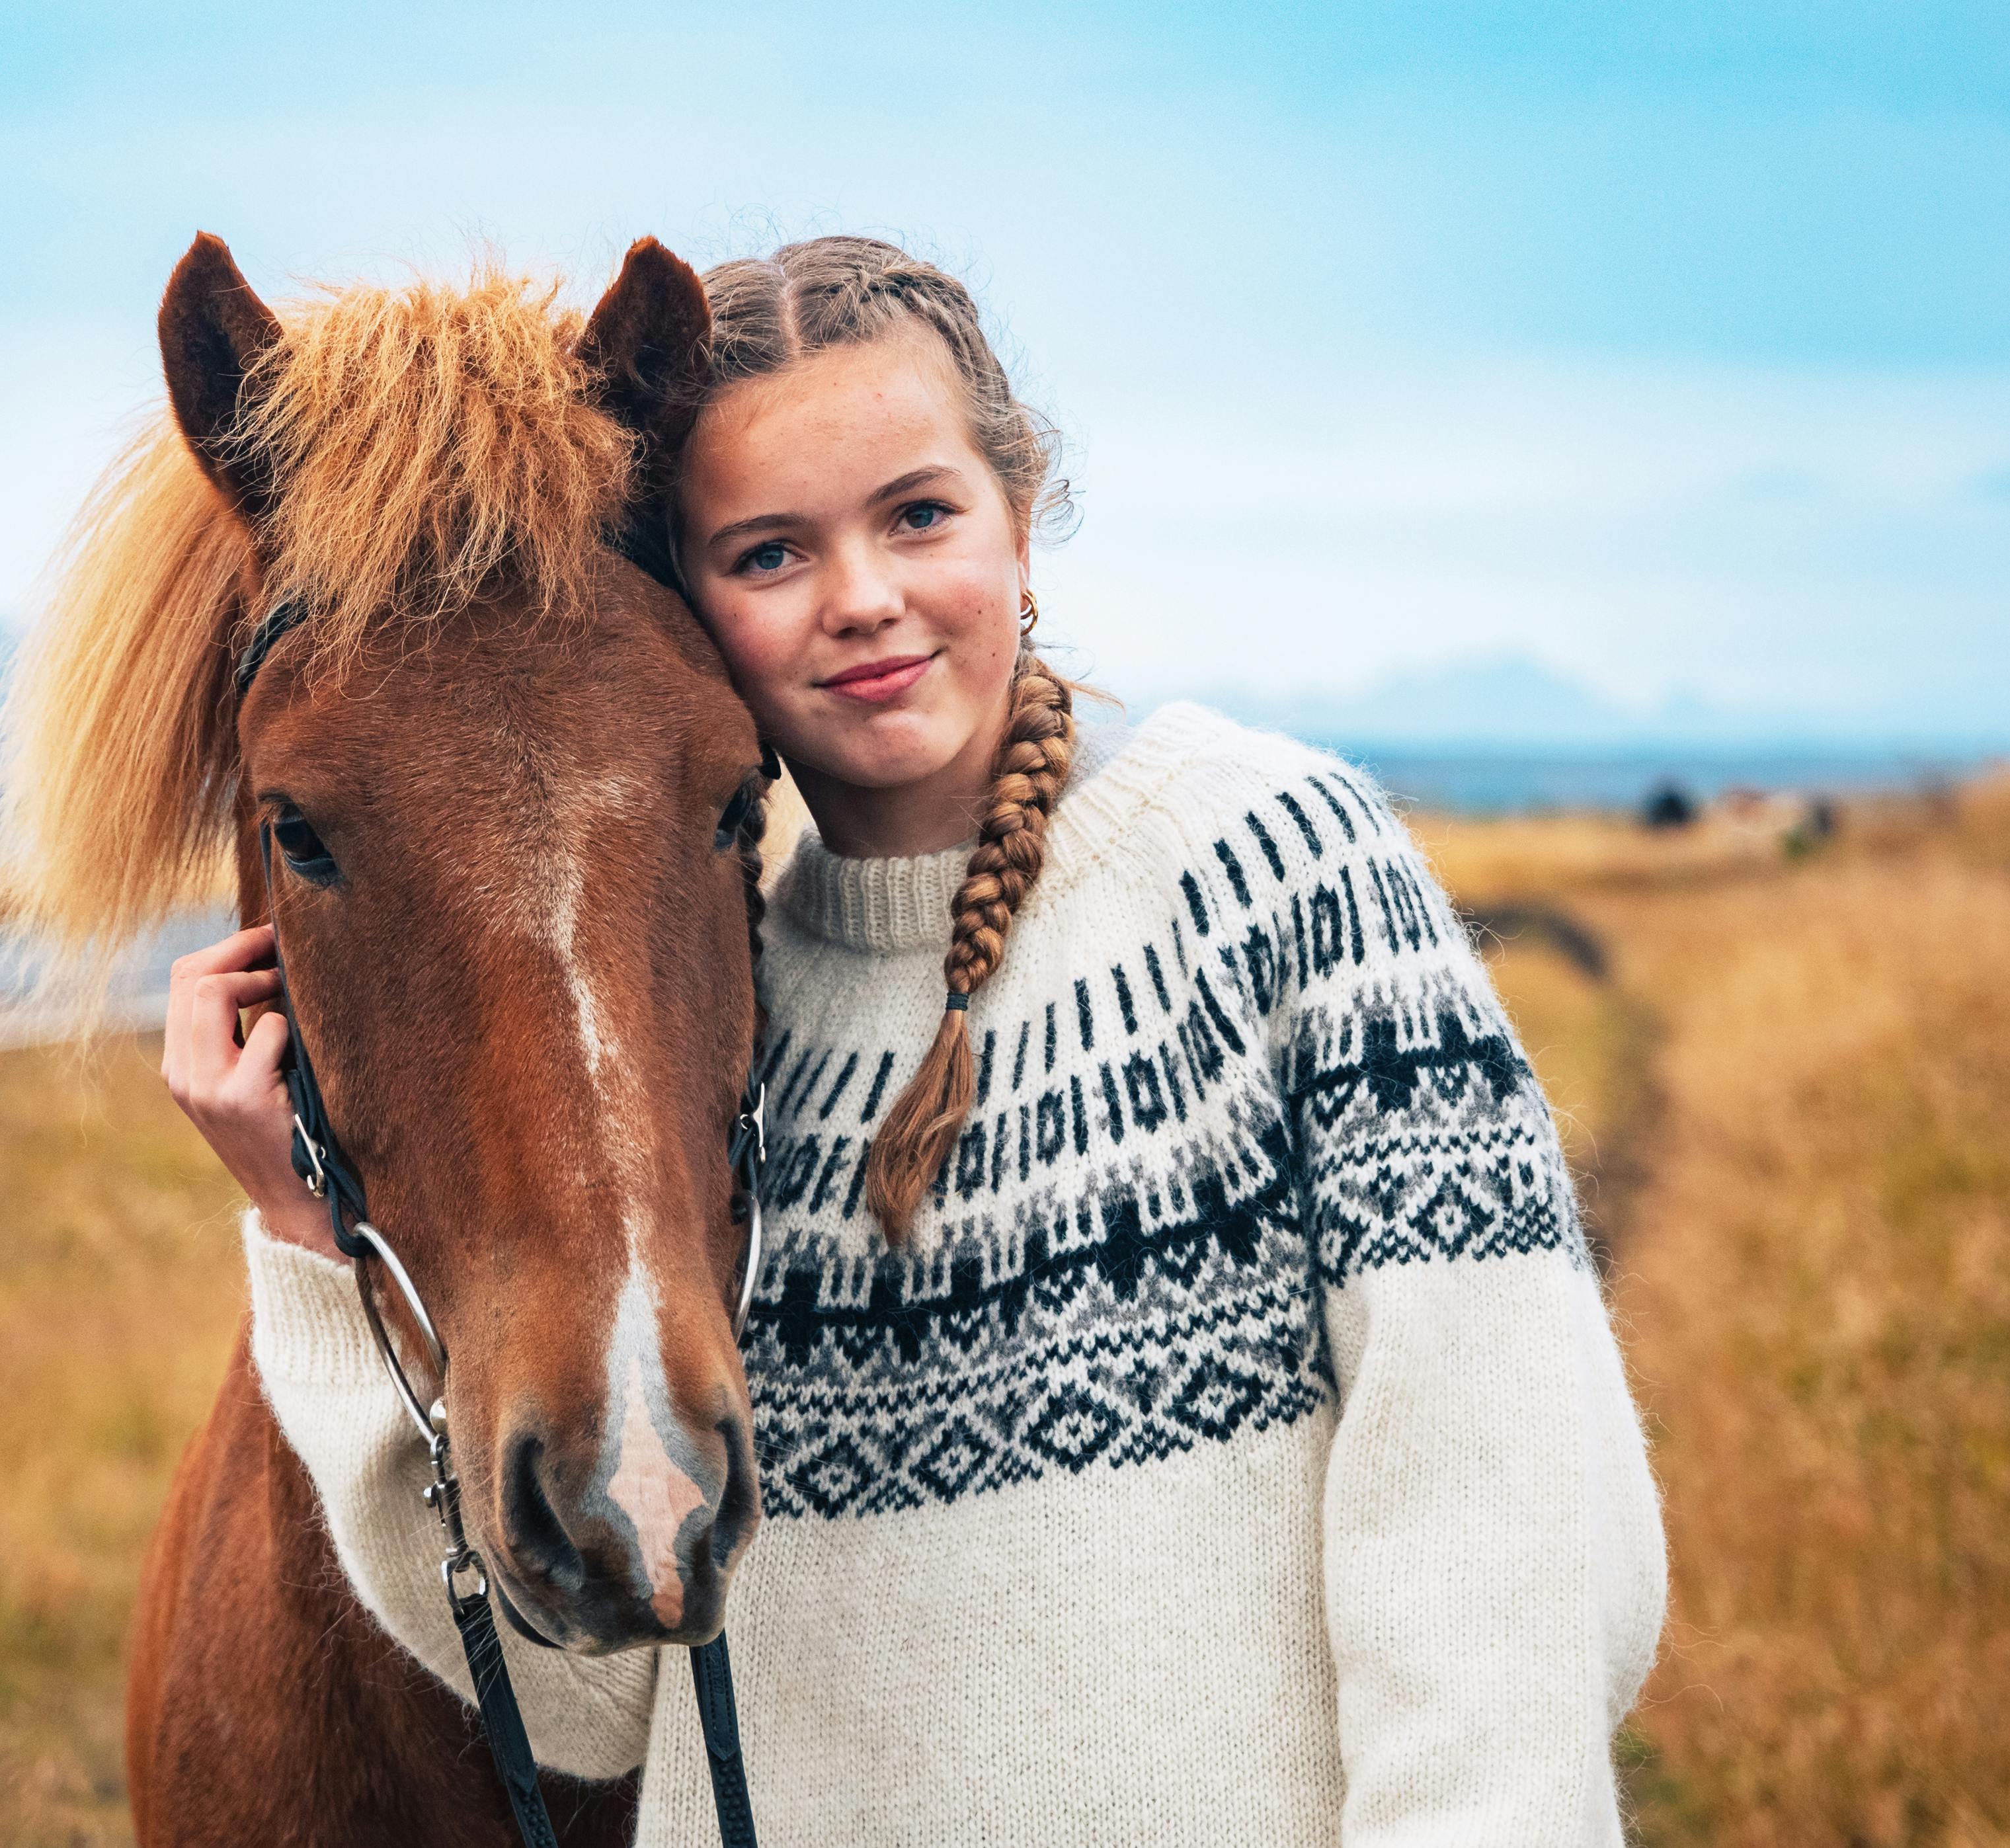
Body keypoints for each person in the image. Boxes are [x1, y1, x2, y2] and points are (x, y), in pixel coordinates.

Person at [165, 236, 1667, 1844]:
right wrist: (310, 1246)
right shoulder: (727, 1042)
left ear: (1025, 521)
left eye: (919, 515)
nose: (863, 596)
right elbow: (590, 1711)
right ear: (694, 606)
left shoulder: (1284, 871)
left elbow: (1527, 1559)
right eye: (767, 552)